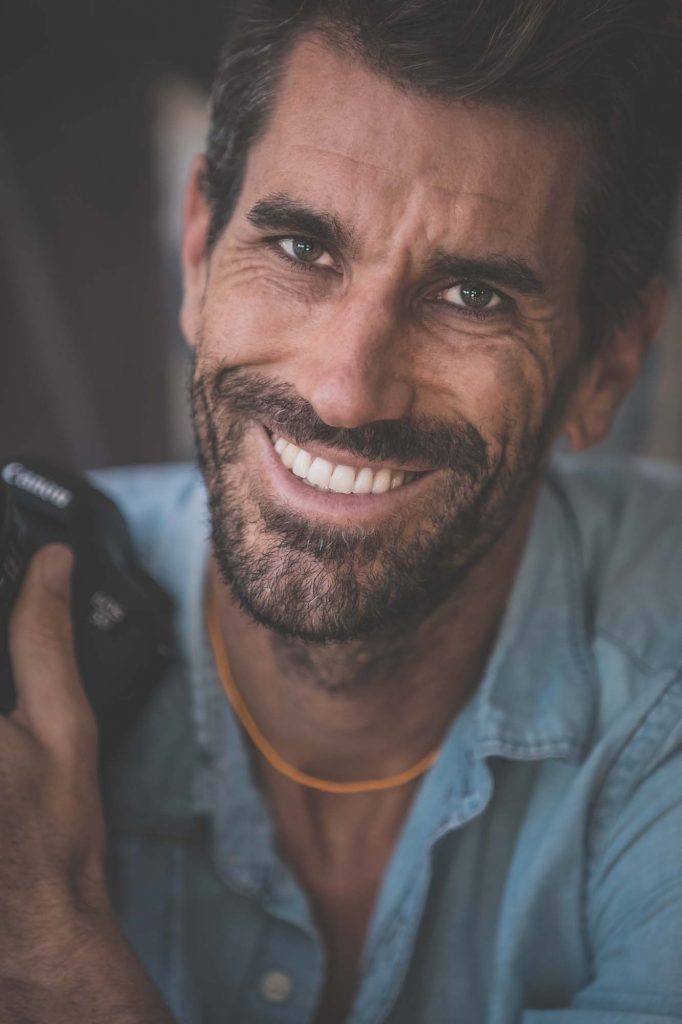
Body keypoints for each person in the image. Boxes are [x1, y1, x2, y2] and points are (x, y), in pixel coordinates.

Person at [3, 0, 682, 1021]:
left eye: (471, 298)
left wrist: (61, 970)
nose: (346, 391)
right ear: (197, 248)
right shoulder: (27, 605)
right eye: (299, 248)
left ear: (608, 365)